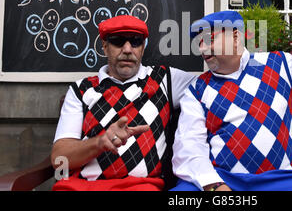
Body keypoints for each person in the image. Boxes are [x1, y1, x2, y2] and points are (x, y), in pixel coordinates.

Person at [171, 10, 292, 191]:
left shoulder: (280, 64)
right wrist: (214, 185)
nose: (201, 48)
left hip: (283, 179)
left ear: (236, 37)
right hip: (223, 178)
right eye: (199, 42)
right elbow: (189, 145)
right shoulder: (197, 89)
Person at [51, 15, 195, 191]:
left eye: (135, 42)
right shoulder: (81, 89)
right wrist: (99, 142)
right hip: (84, 186)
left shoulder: (165, 79)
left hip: (141, 187)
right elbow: (60, 160)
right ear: (105, 46)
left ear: (143, 47)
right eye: (118, 41)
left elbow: (218, 80)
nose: (127, 49)